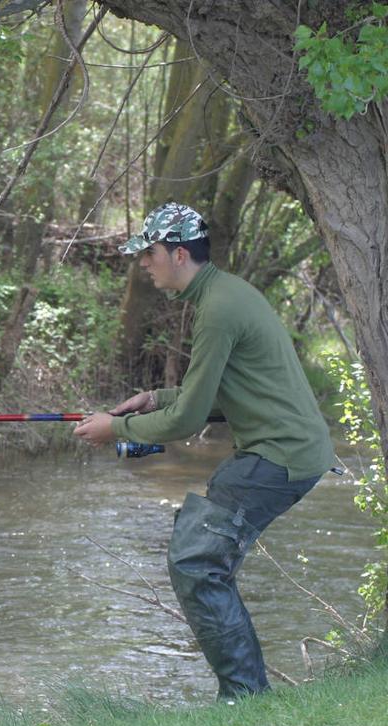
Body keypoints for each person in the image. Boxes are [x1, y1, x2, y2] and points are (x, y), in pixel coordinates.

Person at [73, 201, 336, 700]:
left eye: (148, 253)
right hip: (289, 451)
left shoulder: (217, 309)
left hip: (280, 455)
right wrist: (155, 399)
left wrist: (119, 428)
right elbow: (212, 393)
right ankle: (246, 694)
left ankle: (245, 698)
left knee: (196, 560)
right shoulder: (224, 294)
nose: (143, 264)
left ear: (177, 254)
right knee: (200, 552)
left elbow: (190, 419)